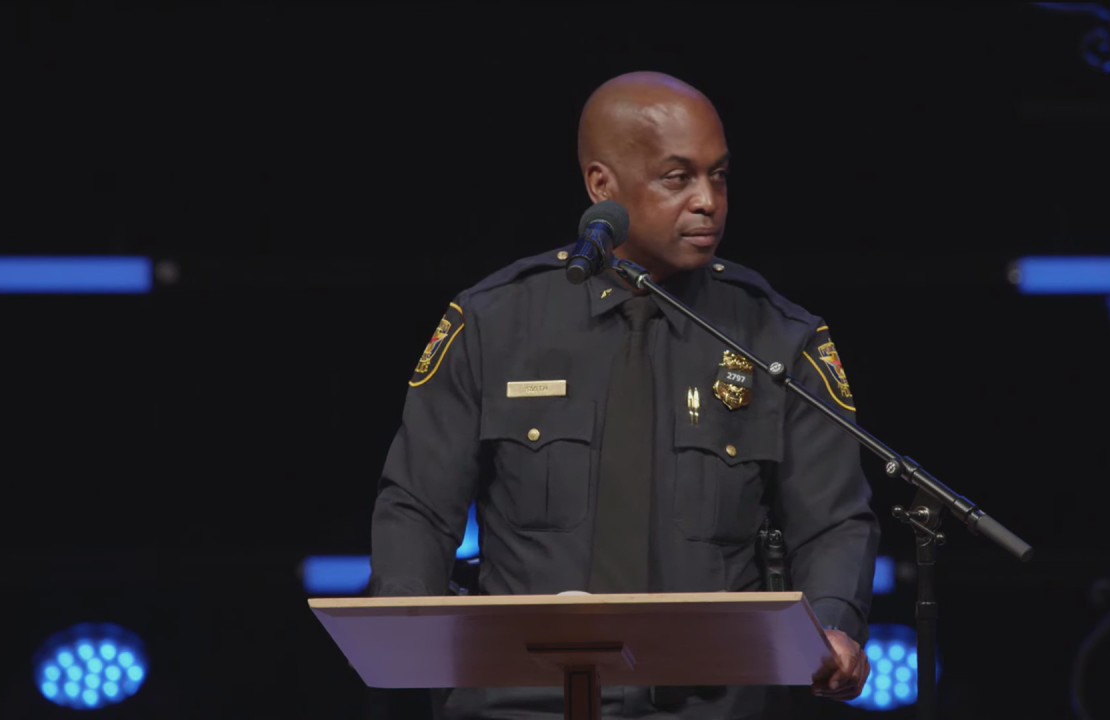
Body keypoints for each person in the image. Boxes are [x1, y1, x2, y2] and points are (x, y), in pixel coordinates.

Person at [369, 70, 879, 719]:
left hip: (708, 704)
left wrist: (832, 624)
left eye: (719, 176)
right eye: (678, 177)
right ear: (601, 186)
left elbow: (833, 519)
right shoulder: (495, 324)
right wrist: (413, 634)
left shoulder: (776, 337)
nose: (708, 201)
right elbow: (418, 506)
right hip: (521, 703)